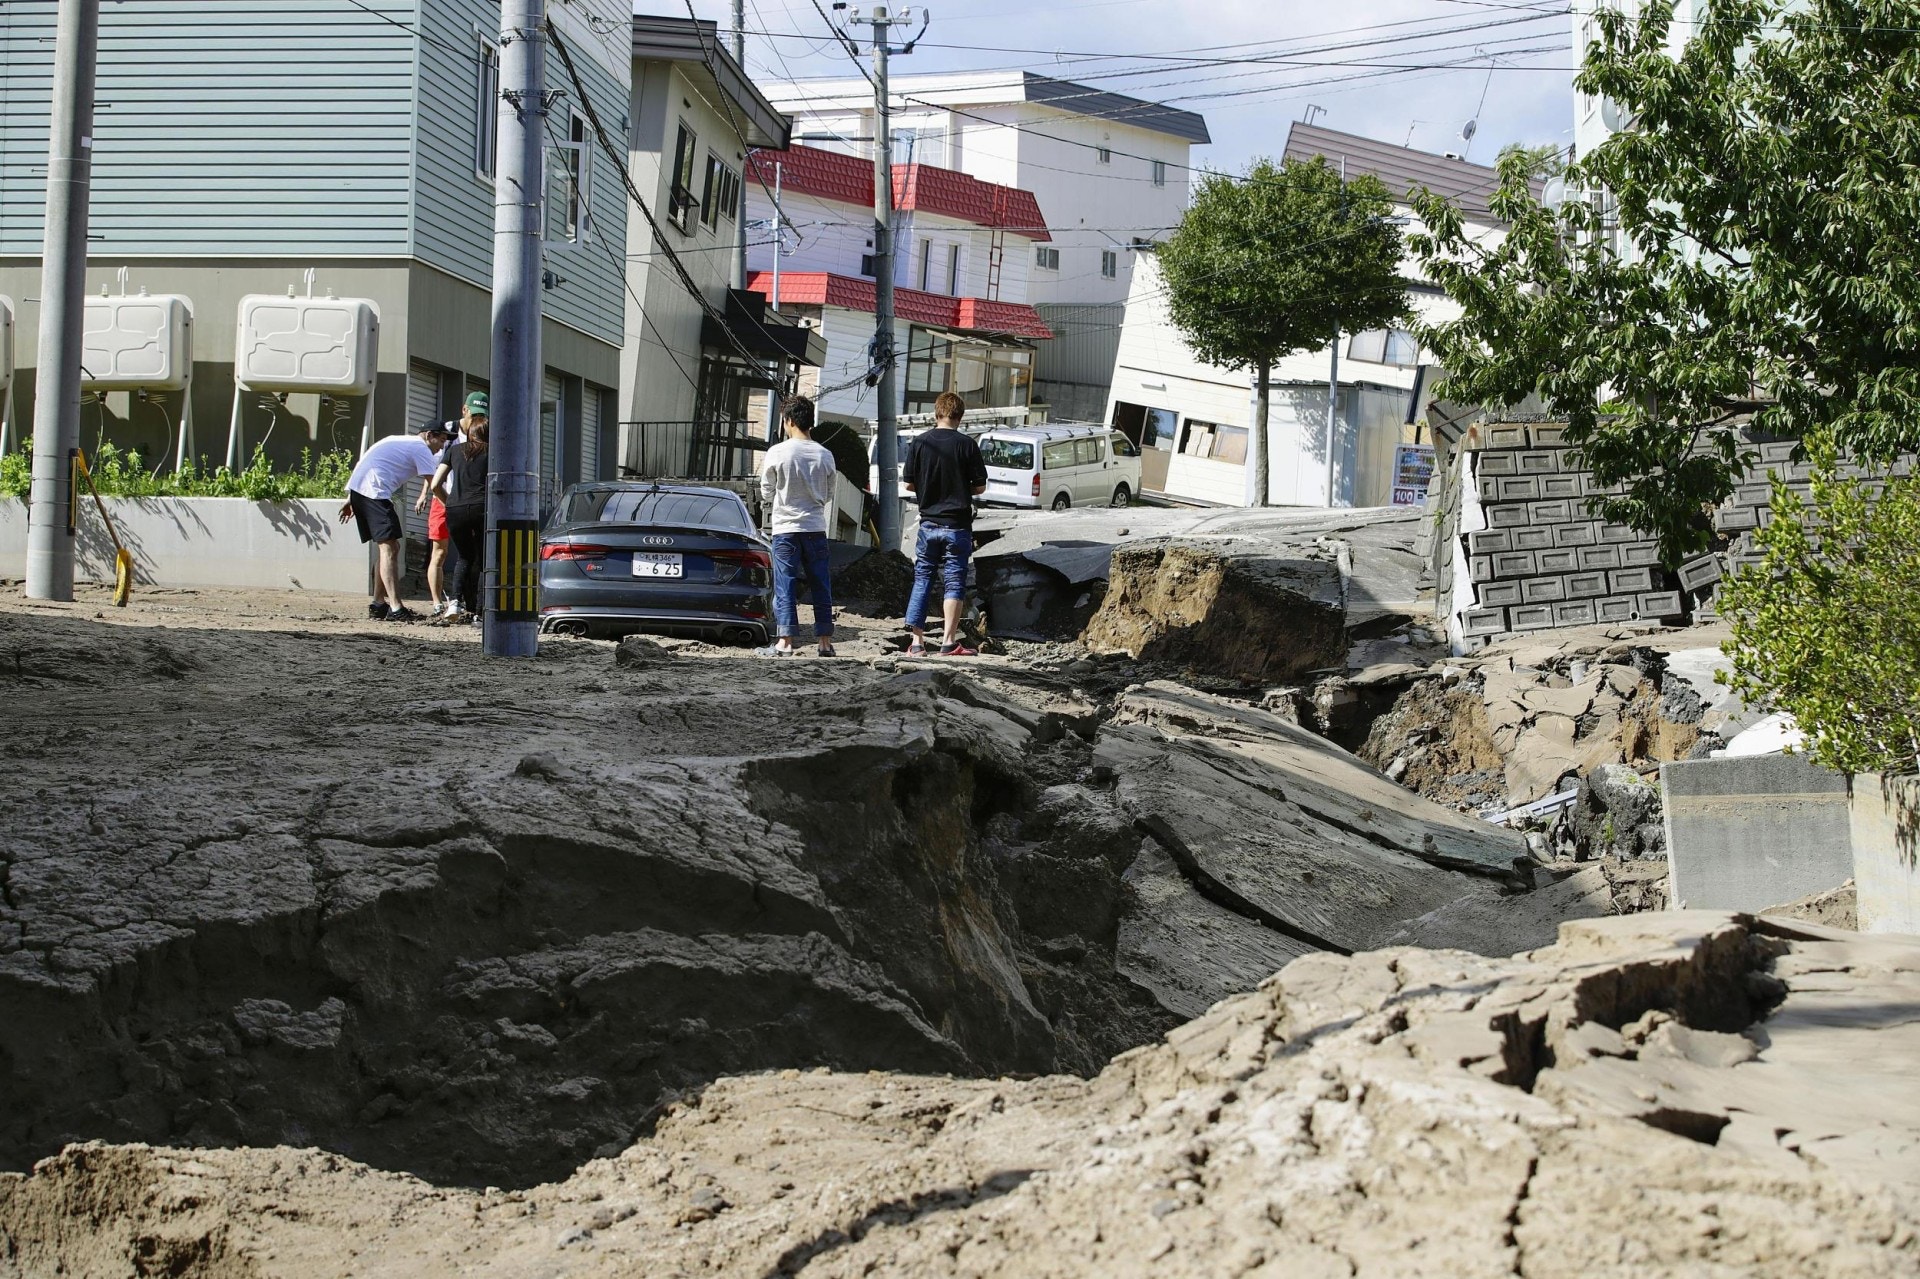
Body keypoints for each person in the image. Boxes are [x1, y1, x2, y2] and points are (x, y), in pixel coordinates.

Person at [338, 421, 457, 623]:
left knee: (389, 547)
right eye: (441, 440)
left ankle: (378, 604)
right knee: (390, 548)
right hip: (373, 493)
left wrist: (352, 497)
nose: (442, 446)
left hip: (364, 491)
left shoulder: (400, 440)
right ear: (429, 435)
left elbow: (367, 460)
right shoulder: (421, 448)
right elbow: (435, 485)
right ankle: (395, 607)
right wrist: (453, 507)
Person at [902, 390, 987, 657]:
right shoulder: (967, 445)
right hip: (957, 526)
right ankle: (948, 642)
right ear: (960, 416)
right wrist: (960, 487)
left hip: (928, 524)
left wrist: (929, 487)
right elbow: (980, 487)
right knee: (954, 581)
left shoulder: (920, 443)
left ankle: (917, 643)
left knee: (923, 578)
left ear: (936, 413)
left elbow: (908, 484)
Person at [756, 395, 838, 657]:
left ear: (789, 421)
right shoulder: (825, 455)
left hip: (786, 529)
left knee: (785, 585)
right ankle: (824, 642)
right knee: (821, 585)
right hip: (815, 528)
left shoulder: (777, 452)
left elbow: (766, 492)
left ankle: (785, 642)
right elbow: (828, 494)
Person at [416, 391, 486, 618]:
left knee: (467, 556)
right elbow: (432, 469)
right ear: (464, 410)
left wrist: (451, 503)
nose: (477, 419)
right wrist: (428, 495)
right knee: (447, 552)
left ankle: (460, 603)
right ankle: (445, 604)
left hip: (456, 504)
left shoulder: (460, 448)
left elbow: (436, 477)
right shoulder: (448, 432)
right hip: (455, 501)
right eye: (474, 415)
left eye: (481, 416)